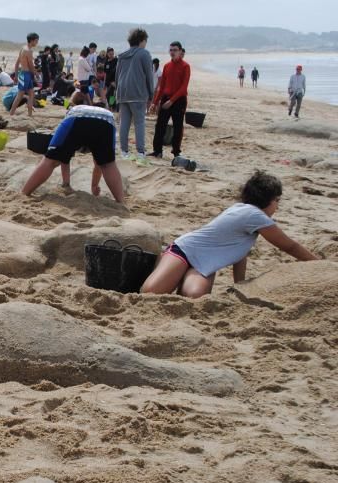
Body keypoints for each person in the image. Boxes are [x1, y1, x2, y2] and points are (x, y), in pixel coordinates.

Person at [141, 171, 317, 297]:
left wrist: (239, 285)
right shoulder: (254, 215)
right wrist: (318, 264)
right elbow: (290, 246)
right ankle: (171, 271)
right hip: (184, 251)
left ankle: (180, 277)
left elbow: (239, 252)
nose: (277, 207)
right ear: (268, 200)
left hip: (204, 264)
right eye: (277, 201)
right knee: (150, 293)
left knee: (194, 296)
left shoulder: (246, 213)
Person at [20, 103, 125, 203]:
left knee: (51, 160)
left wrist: (66, 183)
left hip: (77, 116)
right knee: (108, 164)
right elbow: (99, 164)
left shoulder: (69, 118)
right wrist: (94, 185)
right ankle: (121, 201)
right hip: (107, 120)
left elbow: (64, 159)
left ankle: (25, 192)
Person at [115, 27, 155, 164]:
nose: (146, 43)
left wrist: (117, 93)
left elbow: (117, 75)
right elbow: (149, 76)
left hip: (122, 92)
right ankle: (140, 153)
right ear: (141, 40)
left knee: (124, 122)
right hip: (137, 93)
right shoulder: (144, 54)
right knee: (139, 122)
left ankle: (124, 152)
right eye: (145, 41)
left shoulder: (122, 55)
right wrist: (151, 94)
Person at [149, 41, 190, 160]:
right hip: (166, 98)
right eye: (171, 50)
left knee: (177, 127)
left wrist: (172, 101)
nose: (172, 52)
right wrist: (154, 102)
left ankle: (176, 152)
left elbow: (183, 88)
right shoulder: (167, 66)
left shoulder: (185, 66)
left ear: (180, 51)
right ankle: (157, 151)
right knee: (160, 125)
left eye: (175, 50)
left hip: (179, 100)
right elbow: (162, 87)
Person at [9, 32, 39, 117]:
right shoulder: (28, 51)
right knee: (20, 96)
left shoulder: (23, 48)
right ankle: (11, 114)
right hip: (25, 75)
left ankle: (29, 115)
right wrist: (36, 74)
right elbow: (31, 65)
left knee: (31, 94)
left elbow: (17, 63)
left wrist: (16, 74)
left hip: (24, 74)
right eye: (36, 41)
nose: (37, 43)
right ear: (32, 41)